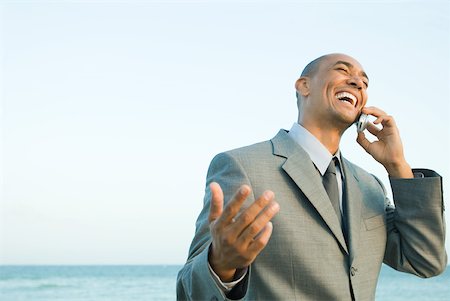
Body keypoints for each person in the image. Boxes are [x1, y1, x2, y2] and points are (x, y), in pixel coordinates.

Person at [176, 53, 447, 300]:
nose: (358, 83)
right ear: (304, 85)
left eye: (364, 82)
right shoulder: (241, 165)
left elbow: (425, 261)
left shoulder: (371, 186)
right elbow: (189, 292)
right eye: (343, 70)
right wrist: (220, 265)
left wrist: (398, 166)